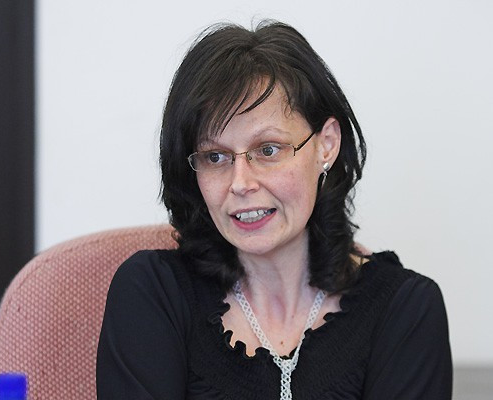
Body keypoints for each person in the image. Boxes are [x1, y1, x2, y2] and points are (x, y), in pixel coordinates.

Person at [96, 21, 452, 399]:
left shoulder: (405, 311)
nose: (240, 183)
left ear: (327, 145)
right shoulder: (152, 294)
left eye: (268, 149)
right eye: (215, 156)